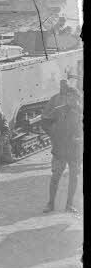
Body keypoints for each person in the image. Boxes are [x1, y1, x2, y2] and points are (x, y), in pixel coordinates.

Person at [42, 80, 83, 213]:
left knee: (74, 177)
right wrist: (53, 134)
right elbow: (45, 121)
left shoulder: (81, 111)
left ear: (78, 98)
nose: (70, 99)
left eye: (73, 97)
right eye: (68, 97)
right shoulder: (58, 110)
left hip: (75, 151)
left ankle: (69, 205)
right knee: (55, 177)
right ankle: (50, 203)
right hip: (60, 150)